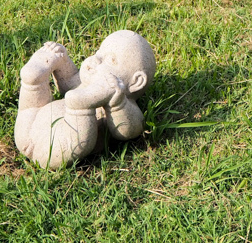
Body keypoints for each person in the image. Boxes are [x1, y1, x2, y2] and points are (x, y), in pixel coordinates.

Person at [14, 31, 156, 170]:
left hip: (56, 148)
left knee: (79, 118)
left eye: (110, 60)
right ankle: (33, 81)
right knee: (32, 98)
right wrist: (62, 62)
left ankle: (79, 109)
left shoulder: (123, 103)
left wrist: (116, 101)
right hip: (29, 123)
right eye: (98, 52)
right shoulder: (85, 82)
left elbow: (129, 130)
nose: (96, 60)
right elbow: (68, 84)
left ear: (136, 82)